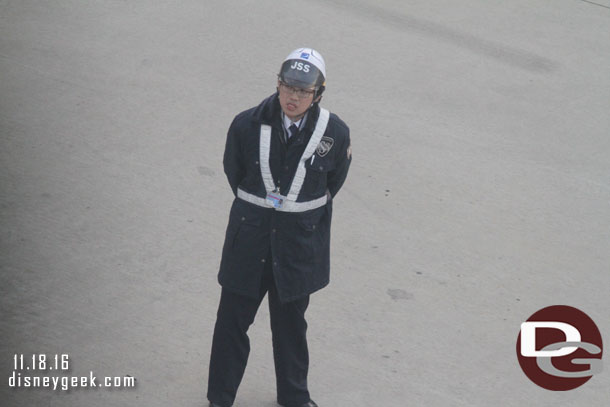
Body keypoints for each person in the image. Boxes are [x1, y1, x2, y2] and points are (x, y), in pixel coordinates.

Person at [207, 47, 352, 407]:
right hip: (250, 240)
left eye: (303, 91)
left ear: (318, 93)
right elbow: (235, 171)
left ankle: (294, 398)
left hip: (296, 248)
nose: (293, 96)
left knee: (290, 328)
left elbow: (333, 182)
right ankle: (219, 399)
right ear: (277, 84)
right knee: (231, 324)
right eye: (288, 87)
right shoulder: (246, 124)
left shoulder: (335, 133)